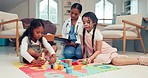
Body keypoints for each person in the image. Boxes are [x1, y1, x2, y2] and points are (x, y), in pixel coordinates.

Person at [80, 12, 148, 66]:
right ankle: (119, 57)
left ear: (94, 22)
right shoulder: (82, 32)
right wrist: (85, 58)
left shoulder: (97, 33)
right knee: (96, 59)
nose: (85, 24)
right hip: (99, 54)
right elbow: (83, 46)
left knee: (116, 62)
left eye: (88, 22)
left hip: (105, 51)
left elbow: (98, 50)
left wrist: (90, 58)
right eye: (84, 22)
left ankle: (141, 60)